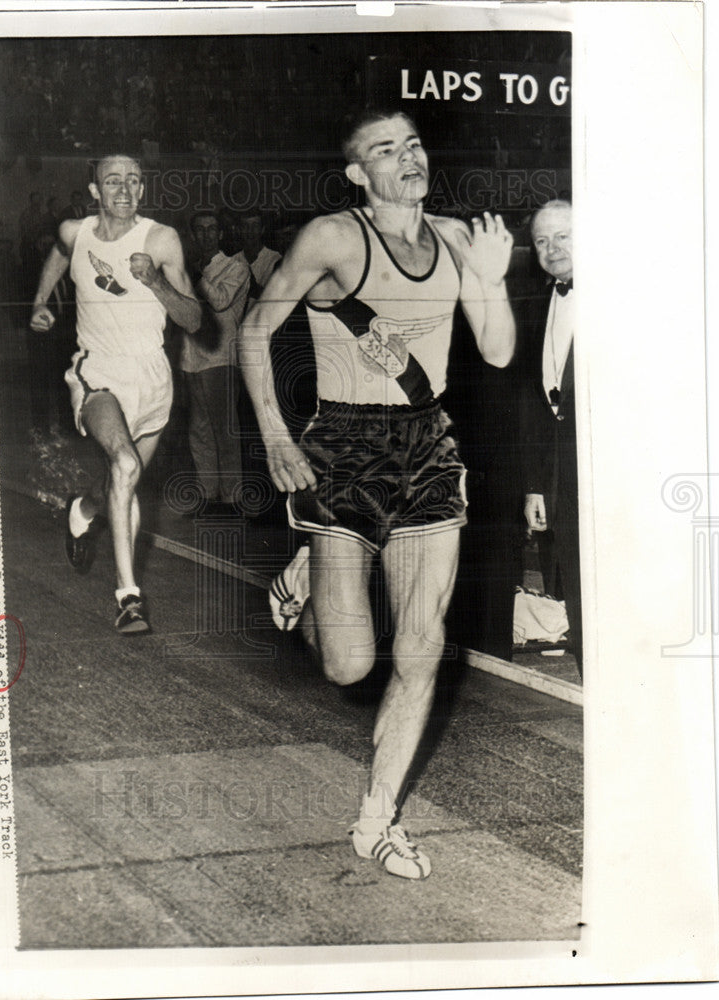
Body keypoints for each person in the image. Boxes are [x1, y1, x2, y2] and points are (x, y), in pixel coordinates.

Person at [239, 109, 514, 879]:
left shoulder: (459, 238)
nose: (408, 159)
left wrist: (489, 281)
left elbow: (494, 351)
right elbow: (255, 331)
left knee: (421, 649)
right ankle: (305, 576)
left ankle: (376, 819)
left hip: (428, 448)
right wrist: (274, 437)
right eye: (385, 151)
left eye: (416, 144)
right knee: (350, 666)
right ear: (358, 172)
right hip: (344, 449)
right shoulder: (333, 237)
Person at [29, 154, 202, 633]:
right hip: (97, 374)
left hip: (152, 380)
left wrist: (154, 282)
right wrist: (41, 302)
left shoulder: (160, 239)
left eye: (133, 181)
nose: (123, 189)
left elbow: (194, 319)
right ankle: (129, 597)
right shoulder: (75, 231)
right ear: (95, 190)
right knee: (124, 467)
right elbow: (62, 256)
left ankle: (83, 509)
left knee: (118, 486)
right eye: (113, 181)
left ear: (142, 190)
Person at [518, 199, 581, 675]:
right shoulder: (541, 302)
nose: (552, 248)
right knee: (569, 565)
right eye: (542, 240)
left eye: (563, 235)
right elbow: (536, 407)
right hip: (559, 467)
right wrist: (536, 484)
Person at [181, 211, 250, 512]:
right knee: (199, 430)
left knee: (224, 431)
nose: (206, 235)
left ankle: (232, 499)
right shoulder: (190, 268)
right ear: (193, 235)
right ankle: (208, 495)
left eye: (212, 229)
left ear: (221, 234)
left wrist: (194, 277)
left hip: (220, 357)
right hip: (191, 357)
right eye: (200, 230)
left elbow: (220, 300)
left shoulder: (236, 266)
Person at [233, 210, 282, 306]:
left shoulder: (276, 260)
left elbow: (278, 301)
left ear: (262, 229)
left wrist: (254, 288)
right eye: (245, 226)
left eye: (255, 226)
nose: (249, 231)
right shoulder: (231, 261)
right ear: (238, 230)